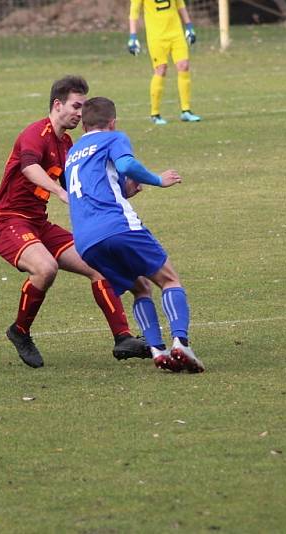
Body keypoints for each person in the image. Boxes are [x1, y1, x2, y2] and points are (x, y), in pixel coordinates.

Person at [0, 76, 149, 369]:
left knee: (99, 265)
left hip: (39, 224)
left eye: (84, 107)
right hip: (8, 221)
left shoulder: (66, 143)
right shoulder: (35, 133)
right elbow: (30, 168)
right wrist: (59, 190)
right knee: (45, 268)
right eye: (76, 106)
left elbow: (82, 188)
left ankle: (123, 338)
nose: (80, 113)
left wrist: (126, 191)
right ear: (58, 105)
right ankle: (20, 331)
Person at [64, 96, 204, 373]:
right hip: (116, 226)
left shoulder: (73, 153)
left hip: (85, 241)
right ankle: (181, 343)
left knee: (140, 287)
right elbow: (126, 165)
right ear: (112, 123)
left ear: (84, 127)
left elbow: (93, 188)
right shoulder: (113, 138)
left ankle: (157, 349)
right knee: (169, 279)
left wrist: (125, 190)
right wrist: (157, 179)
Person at [128, 0, 201, 125]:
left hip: (176, 33)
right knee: (161, 69)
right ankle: (155, 114)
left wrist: (189, 26)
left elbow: (180, 4)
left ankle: (186, 111)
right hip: (156, 36)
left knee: (184, 66)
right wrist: (133, 37)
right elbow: (134, 12)